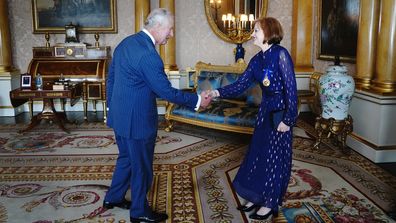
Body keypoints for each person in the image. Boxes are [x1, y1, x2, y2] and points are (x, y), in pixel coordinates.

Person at [104, 8, 211, 223]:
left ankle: (113, 198)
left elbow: (111, 79)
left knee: (125, 158)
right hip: (138, 122)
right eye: (170, 29)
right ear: (159, 26)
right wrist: (198, 100)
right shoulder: (148, 55)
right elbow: (165, 92)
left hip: (120, 116)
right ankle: (139, 212)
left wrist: (110, 109)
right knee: (141, 166)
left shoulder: (126, 43)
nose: (171, 35)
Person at [208, 17, 298, 220]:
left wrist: (289, 119)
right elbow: (240, 85)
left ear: (268, 32)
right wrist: (216, 93)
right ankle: (256, 195)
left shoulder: (281, 55)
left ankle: (269, 201)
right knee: (258, 153)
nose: (252, 34)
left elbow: (291, 90)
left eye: (256, 30)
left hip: (280, 113)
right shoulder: (256, 59)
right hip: (265, 111)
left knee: (274, 158)